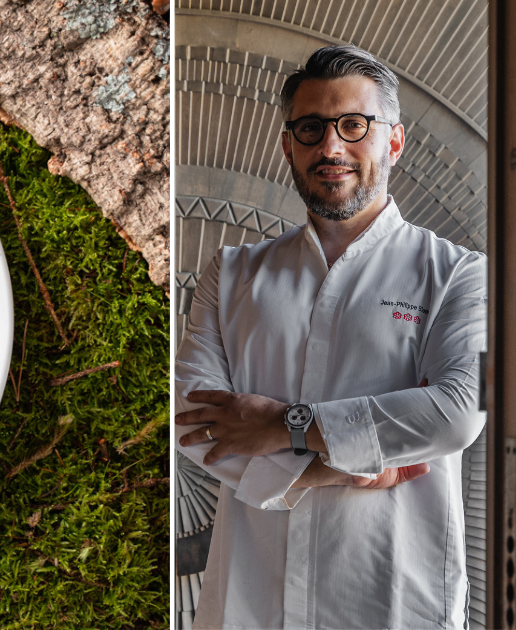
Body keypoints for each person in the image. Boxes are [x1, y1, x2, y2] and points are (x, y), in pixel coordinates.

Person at [173, 44, 487, 629]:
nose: (331, 147)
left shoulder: (460, 274)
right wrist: (342, 466)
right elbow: (194, 426)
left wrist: (282, 427)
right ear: (288, 145)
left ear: (392, 141)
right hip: (249, 605)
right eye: (312, 128)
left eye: (353, 125)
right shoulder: (232, 272)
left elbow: (459, 414)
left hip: (392, 605)